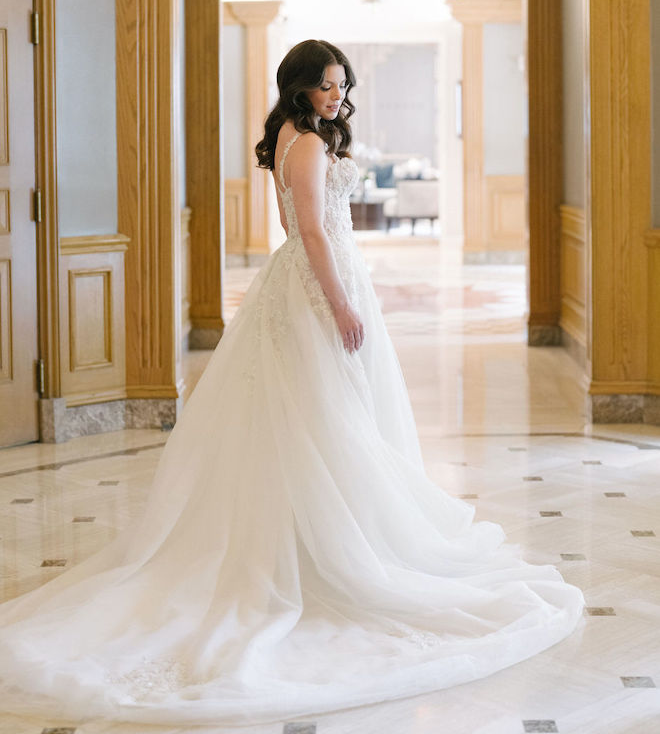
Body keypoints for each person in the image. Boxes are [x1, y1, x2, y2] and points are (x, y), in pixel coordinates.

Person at [0, 39, 584, 727]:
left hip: (308, 282)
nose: (336, 94)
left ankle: (317, 539)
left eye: (342, 84)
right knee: (327, 423)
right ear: (300, 86)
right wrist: (340, 304)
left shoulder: (291, 134)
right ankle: (326, 555)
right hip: (316, 285)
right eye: (326, 84)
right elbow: (311, 232)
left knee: (318, 424)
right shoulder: (305, 144)